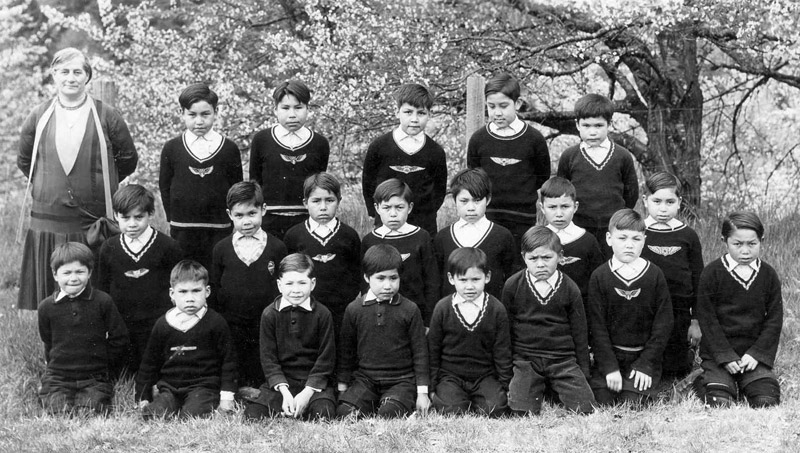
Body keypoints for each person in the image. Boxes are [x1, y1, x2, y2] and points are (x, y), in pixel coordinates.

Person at [17, 47, 138, 310]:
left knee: (94, 295)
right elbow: (25, 161)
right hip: (50, 221)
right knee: (53, 299)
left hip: (92, 220)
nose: (70, 78)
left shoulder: (106, 115)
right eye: (64, 72)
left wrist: (94, 185)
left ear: (87, 77)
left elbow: (128, 159)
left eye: (77, 72)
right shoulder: (39, 115)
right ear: (53, 75)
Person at [501, 227, 595, 415]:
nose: (540, 264)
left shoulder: (570, 288)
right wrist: (507, 371)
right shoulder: (513, 285)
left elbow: (579, 332)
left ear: (560, 257)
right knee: (521, 410)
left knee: (585, 408)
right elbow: (506, 329)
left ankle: (554, 387)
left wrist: (583, 371)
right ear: (523, 257)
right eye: (533, 258)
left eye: (547, 258)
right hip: (526, 358)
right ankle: (535, 389)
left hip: (562, 358)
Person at [693, 212, 782, 408]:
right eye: (737, 244)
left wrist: (757, 354)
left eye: (752, 244)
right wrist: (725, 356)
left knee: (766, 400)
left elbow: (774, 320)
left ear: (762, 241)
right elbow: (707, 319)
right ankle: (707, 379)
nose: (745, 251)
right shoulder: (712, 273)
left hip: (752, 356)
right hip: (719, 354)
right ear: (724, 241)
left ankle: (748, 381)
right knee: (719, 400)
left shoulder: (768, 275)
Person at [587, 209, 673, 406]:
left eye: (636, 239)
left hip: (642, 356)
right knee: (602, 400)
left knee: (632, 402)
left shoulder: (654, 275)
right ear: (609, 239)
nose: (629, 245)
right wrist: (609, 367)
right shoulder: (600, 276)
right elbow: (597, 327)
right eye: (622, 238)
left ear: (644, 239)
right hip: (611, 355)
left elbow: (663, 324)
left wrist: (646, 364)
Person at [97, 184, 183, 374]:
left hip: (156, 323)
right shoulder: (109, 248)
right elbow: (102, 288)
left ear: (150, 214)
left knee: (157, 369)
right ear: (116, 216)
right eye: (125, 218)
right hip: (122, 324)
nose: (132, 224)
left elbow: (178, 287)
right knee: (120, 370)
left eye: (138, 217)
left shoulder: (168, 246)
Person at [337, 244, 431, 418]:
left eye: (393, 278)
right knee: (345, 413)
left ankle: (392, 404)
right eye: (380, 278)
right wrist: (342, 388)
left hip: (401, 381)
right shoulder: (354, 309)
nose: (388, 285)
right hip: (366, 380)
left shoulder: (410, 309)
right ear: (366, 277)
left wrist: (422, 393)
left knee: (389, 413)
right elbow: (346, 352)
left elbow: (420, 353)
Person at [135, 260, 237, 419]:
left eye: (196, 291)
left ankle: (194, 408)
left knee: (192, 416)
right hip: (170, 387)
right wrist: (143, 397)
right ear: (172, 294)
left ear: (207, 291)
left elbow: (229, 362)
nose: (190, 298)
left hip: (203, 386)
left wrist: (226, 399)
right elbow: (149, 363)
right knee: (153, 415)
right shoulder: (163, 324)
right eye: (183, 292)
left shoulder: (215, 322)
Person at [210, 181, 287, 388]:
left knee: (264, 355)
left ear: (263, 210)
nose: (246, 221)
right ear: (229, 215)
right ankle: (236, 387)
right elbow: (215, 287)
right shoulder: (221, 249)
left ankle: (264, 386)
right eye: (239, 215)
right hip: (233, 321)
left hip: (265, 321)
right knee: (235, 355)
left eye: (252, 214)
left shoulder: (277, 247)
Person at [38, 242, 129, 414]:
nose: (73, 278)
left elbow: (119, 338)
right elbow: (47, 341)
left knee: (90, 410)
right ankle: (57, 399)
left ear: (90, 273)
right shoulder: (46, 307)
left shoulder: (103, 301)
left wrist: (105, 365)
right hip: (59, 375)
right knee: (58, 410)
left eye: (80, 272)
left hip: (94, 376)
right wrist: (52, 367)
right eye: (67, 272)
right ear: (55, 275)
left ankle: (89, 402)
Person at [159, 83, 242, 271]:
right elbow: (165, 186)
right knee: (185, 274)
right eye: (192, 114)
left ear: (216, 112)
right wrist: (173, 219)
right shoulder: (172, 148)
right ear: (182, 112)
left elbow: (236, 188)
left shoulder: (229, 148)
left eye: (205, 114)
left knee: (216, 273)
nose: (199, 121)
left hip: (219, 228)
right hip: (183, 228)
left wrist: (231, 221)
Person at [243, 254, 337, 420]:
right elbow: (268, 359)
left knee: (324, 413)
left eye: (302, 283)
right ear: (279, 285)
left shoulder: (323, 314)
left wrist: (306, 393)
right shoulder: (270, 314)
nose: (295, 290)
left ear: (312, 284)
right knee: (253, 415)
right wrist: (285, 393)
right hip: (283, 384)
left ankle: (303, 405)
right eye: (289, 283)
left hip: (313, 384)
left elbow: (326, 360)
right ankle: (287, 405)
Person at [467, 72, 550, 245]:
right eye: (491, 106)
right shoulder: (478, 139)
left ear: (517, 103)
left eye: (503, 106)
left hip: (523, 218)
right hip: (488, 217)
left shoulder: (534, 139)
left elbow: (542, 176)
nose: (497, 113)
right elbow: (474, 177)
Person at [428, 247, 512, 417]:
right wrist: (431, 387)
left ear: (487, 277)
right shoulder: (443, 308)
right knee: (452, 410)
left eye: (475, 279)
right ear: (452, 279)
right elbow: (433, 350)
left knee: (495, 409)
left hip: (484, 375)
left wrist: (506, 386)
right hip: (450, 375)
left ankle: (483, 398)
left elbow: (502, 351)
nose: (469, 286)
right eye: (463, 280)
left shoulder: (496, 309)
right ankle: (454, 398)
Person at [556, 93, 638, 258]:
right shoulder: (569, 156)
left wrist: (617, 219)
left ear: (609, 124)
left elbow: (631, 194)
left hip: (613, 229)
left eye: (598, 125)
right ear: (577, 125)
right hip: (579, 227)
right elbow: (561, 192)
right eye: (586, 125)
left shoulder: (622, 156)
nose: (592, 132)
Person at [639, 172, 703, 379]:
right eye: (656, 201)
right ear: (645, 201)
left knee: (676, 370)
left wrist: (695, 321)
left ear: (679, 202)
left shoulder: (688, 236)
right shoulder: (637, 233)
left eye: (670, 202)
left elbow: (698, 280)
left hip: (679, 312)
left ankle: (686, 355)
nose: (663, 208)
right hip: (646, 310)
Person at [362, 83, 448, 235]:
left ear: (429, 114)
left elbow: (439, 190)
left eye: (421, 113)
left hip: (424, 226)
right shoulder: (379, 146)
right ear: (397, 112)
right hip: (387, 222)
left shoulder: (435, 151)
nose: (414, 119)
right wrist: (376, 213)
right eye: (408, 112)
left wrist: (426, 213)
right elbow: (368, 183)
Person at [250, 80, 330, 238]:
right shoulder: (261, 140)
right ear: (275, 109)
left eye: (298, 107)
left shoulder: (319, 143)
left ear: (308, 108)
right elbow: (255, 182)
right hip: (269, 220)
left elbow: (319, 184)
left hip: (306, 220)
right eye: (285, 108)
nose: (292, 114)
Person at [283, 173, 361, 333]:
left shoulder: (349, 235)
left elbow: (357, 273)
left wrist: (347, 300)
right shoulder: (294, 235)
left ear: (339, 201)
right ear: (305, 203)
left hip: (341, 311)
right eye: (316, 201)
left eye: (329, 200)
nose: (323, 207)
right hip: (305, 309)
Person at [361, 179, 439, 325]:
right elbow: (365, 284)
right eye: (387, 207)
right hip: (380, 317)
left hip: (416, 316)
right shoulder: (369, 240)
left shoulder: (421, 237)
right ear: (377, 208)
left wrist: (428, 321)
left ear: (409, 208)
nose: (393, 214)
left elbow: (432, 282)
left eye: (399, 207)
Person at [434, 168, 517, 300]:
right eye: (464, 201)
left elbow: (511, 279)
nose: (471, 207)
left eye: (477, 200)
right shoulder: (443, 237)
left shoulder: (502, 236)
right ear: (454, 200)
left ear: (488, 200)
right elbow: (437, 282)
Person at [538, 176, 604, 311]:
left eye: (565, 206)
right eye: (552, 207)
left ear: (575, 207)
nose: (559, 214)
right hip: (546, 309)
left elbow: (597, 284)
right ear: (542, 208)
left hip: (581, 309)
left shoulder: (588, 241)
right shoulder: (536, 240)